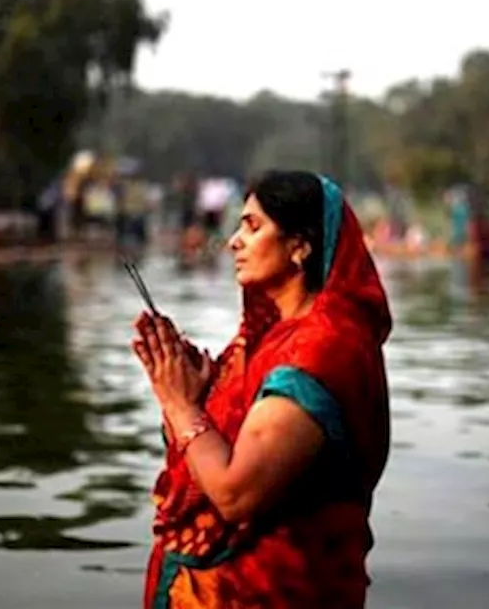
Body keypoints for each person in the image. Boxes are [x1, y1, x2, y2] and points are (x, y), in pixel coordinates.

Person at [131, 170, 392, 608]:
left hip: (277, 591)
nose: (234, 241)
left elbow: (235, 494)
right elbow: (214, 446)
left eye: (253, 226)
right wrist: (200, 393)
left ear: (300, 245)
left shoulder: (320, 350)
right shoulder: (270, 340)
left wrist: (180, 406)